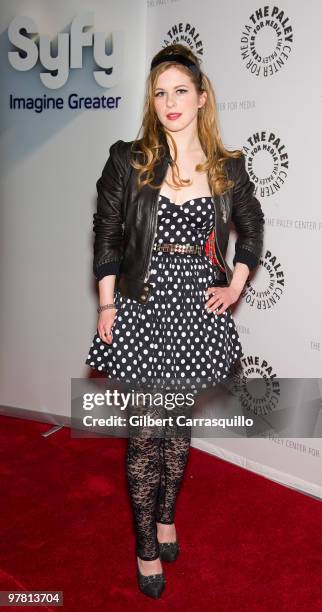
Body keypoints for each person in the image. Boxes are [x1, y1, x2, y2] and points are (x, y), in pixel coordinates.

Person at [85, 43, 265, 599]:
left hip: (195, 307)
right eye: (159, 92)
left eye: (180, 90)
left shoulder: (227, 166)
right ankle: (145, 546)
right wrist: (107, 303)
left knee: (176, 424)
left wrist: (236, 283)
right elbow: (108, 232)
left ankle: (166, 517)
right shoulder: (126, 158)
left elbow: (251, 223)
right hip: (142, 304)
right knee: (146, 433)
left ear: (201, 97)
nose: (169, 101)